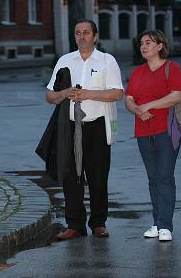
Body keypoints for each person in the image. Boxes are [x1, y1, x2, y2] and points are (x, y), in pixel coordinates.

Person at [44, 19, 123, 239]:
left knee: (98, 176)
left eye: (86, 32)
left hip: (97, 125)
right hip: (69, 127)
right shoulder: (65, 60)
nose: (82, 36)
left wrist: (88, 94)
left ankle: (98, 223)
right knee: (71, 176)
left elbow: (117, 93)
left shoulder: (107, 61)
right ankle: (75, 225)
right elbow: (50, 95)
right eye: (78, 32)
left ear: (95, 36)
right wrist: (64, 93)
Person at [125, 30, 181, 242]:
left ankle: (166, 225)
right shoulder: (137, 72)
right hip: (142, 132)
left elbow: (176, 96)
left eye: (148, 42)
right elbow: (128, 99)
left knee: (165, 176)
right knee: (153, 179)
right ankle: (157, 222)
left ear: (160, 46)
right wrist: (137, 109)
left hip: (166, 131)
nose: (143, 46)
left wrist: (148, 105)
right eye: (141, 43)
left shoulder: (171, 68)